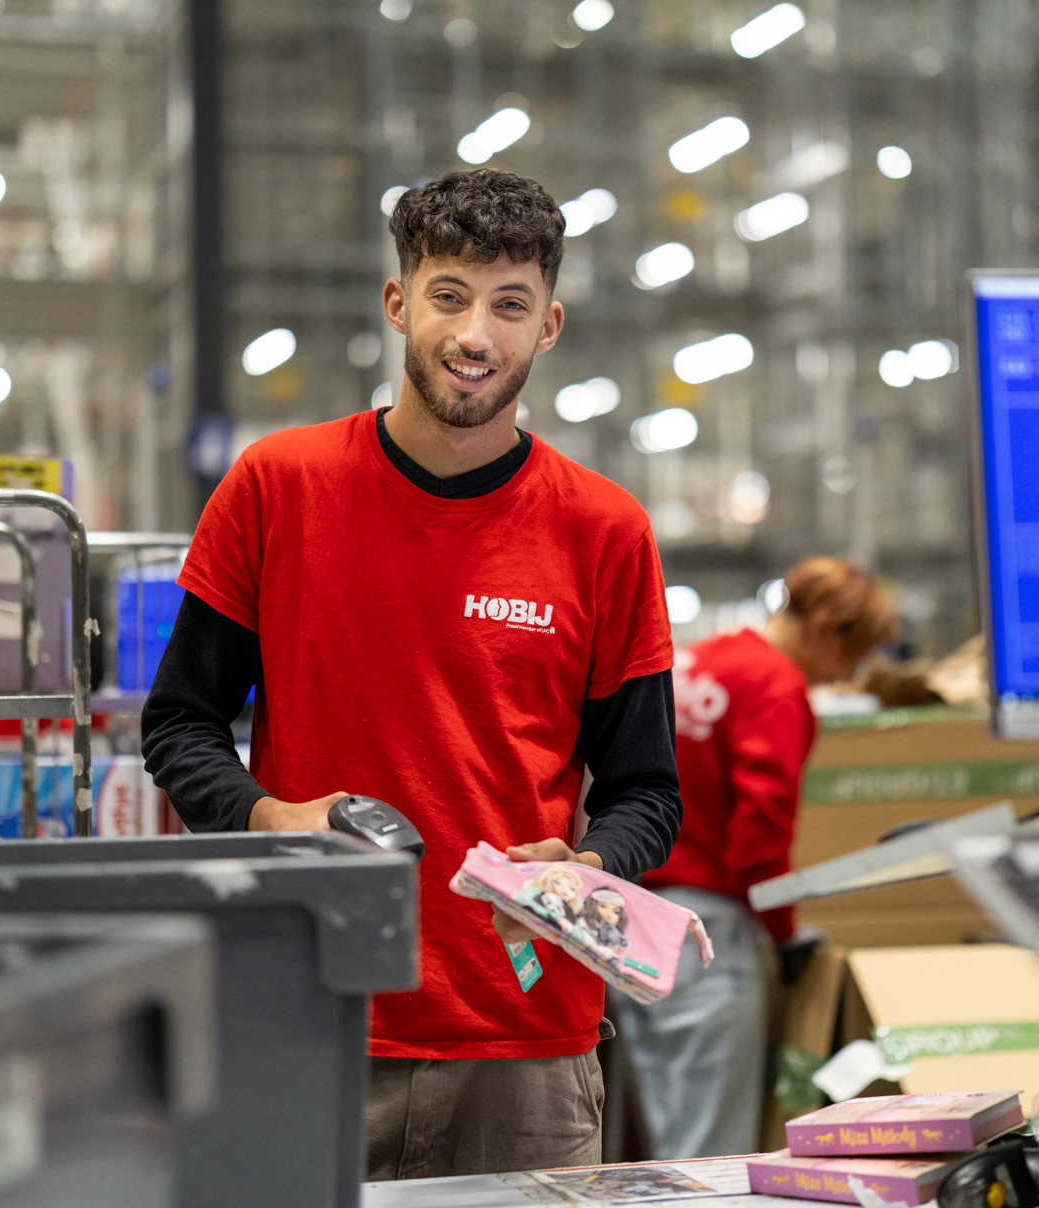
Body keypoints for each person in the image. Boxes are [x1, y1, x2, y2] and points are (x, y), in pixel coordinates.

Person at [140, 167, 681, 1180]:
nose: (476, 333)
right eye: (450, 295)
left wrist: (592, 869)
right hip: (314, 1014)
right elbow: (177, 725)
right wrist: (275, 817)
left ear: (548, 325)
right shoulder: (277, 488)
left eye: (509, 305)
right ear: (399, 302)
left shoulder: (606, 532)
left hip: (527, 1049)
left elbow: (648, 789)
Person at [610, 557, 895, 1158]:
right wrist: (785, 934)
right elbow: (758, 838)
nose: (850, 674)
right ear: (826, 628)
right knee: (709, 1160)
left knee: (648, 1145)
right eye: (855, 655)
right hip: (705, 938)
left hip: (626, 919)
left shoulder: (699, 660)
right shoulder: (776, 686)